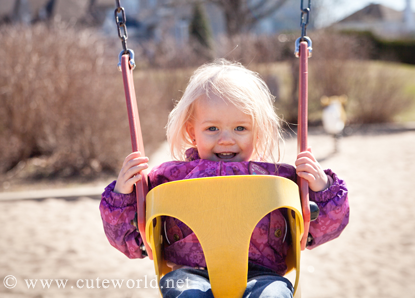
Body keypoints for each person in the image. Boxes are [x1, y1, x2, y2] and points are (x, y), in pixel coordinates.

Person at [99, 59, 350, 298]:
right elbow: (130, 240)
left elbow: (319, 229)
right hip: (190, 273)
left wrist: (322, 188)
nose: (226, 139)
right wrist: (122, 195)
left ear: (257, 131)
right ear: (192, 132)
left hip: (263, 275)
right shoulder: (168, 177)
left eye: (240, 128)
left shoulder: (277, 176)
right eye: (212, 129)